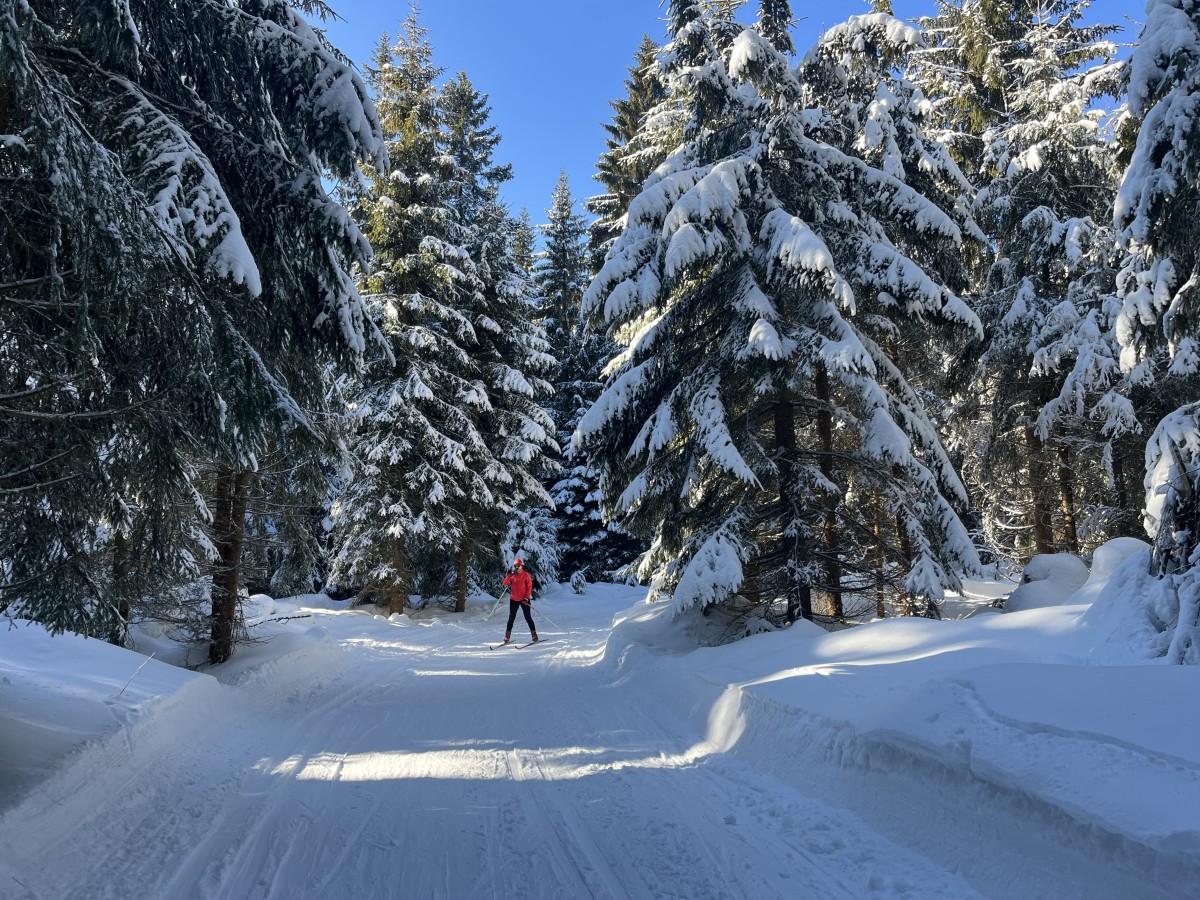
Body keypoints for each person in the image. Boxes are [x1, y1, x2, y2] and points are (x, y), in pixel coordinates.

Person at [501, 558, 538, 644]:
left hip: (524, 599)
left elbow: (529, 588)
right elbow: (505, 583)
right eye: (515, 566)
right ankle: (507, 637)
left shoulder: (526, 575)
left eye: (518, 565)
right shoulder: (513, 575)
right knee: (511, 618)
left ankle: (534, 635)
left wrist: (526, 598)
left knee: (528, 617)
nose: (517, 567)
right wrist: (510, 575)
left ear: (522, 566)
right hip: (514, 599)